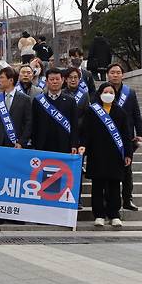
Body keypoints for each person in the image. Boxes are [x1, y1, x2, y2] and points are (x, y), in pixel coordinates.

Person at [81, 83, 133, 228]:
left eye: (111, 92)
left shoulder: (120, 112)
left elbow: (126, 135)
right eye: (105, 91)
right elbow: (86, 132)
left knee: (114, 185)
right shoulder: (92, 111)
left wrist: (128, 153)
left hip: (115, 155)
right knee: (97, 186)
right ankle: (99, 215)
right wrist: (83, 147)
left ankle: (114, 214)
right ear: (100, 93)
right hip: (97, 154)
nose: (108, 94)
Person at [0, 66, 32, 225]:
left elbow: (28, 123)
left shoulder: (24, 99)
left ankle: (15, 214)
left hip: (15, 145)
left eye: (2, 78)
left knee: (15, 180)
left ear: (11, 80)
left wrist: (21, 142)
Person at [108, 63, 142, 211]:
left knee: (127, 170)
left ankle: (127, 199)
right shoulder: (103, 91)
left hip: (126, 137)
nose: (115, 75)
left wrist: (140, 134)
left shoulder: (130, 92)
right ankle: (109, 199)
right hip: (107, 137)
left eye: (118, 72)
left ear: (123, 75)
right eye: (112, 72)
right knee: (108, 170)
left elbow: (136, 114)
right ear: (108, 75)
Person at [31, 68, 80, 155]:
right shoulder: (38, 100)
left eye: (57, 79)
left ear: (62, 80)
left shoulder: (70, 101)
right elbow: (34, 124)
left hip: (64, 145)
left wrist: (74, 144)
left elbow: (74, 125)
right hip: (42, 145)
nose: (55, 82)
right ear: (46, 81)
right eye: (52, 79)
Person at [63, 67, 89, 210]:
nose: (73, 80)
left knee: (76, 170)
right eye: (70, 77)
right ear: (65, 79)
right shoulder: (61, 93)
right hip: (63, 136)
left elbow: (86, 118)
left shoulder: (84, 95)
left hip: (78, 138)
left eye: (76, 77)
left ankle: (77, 199)